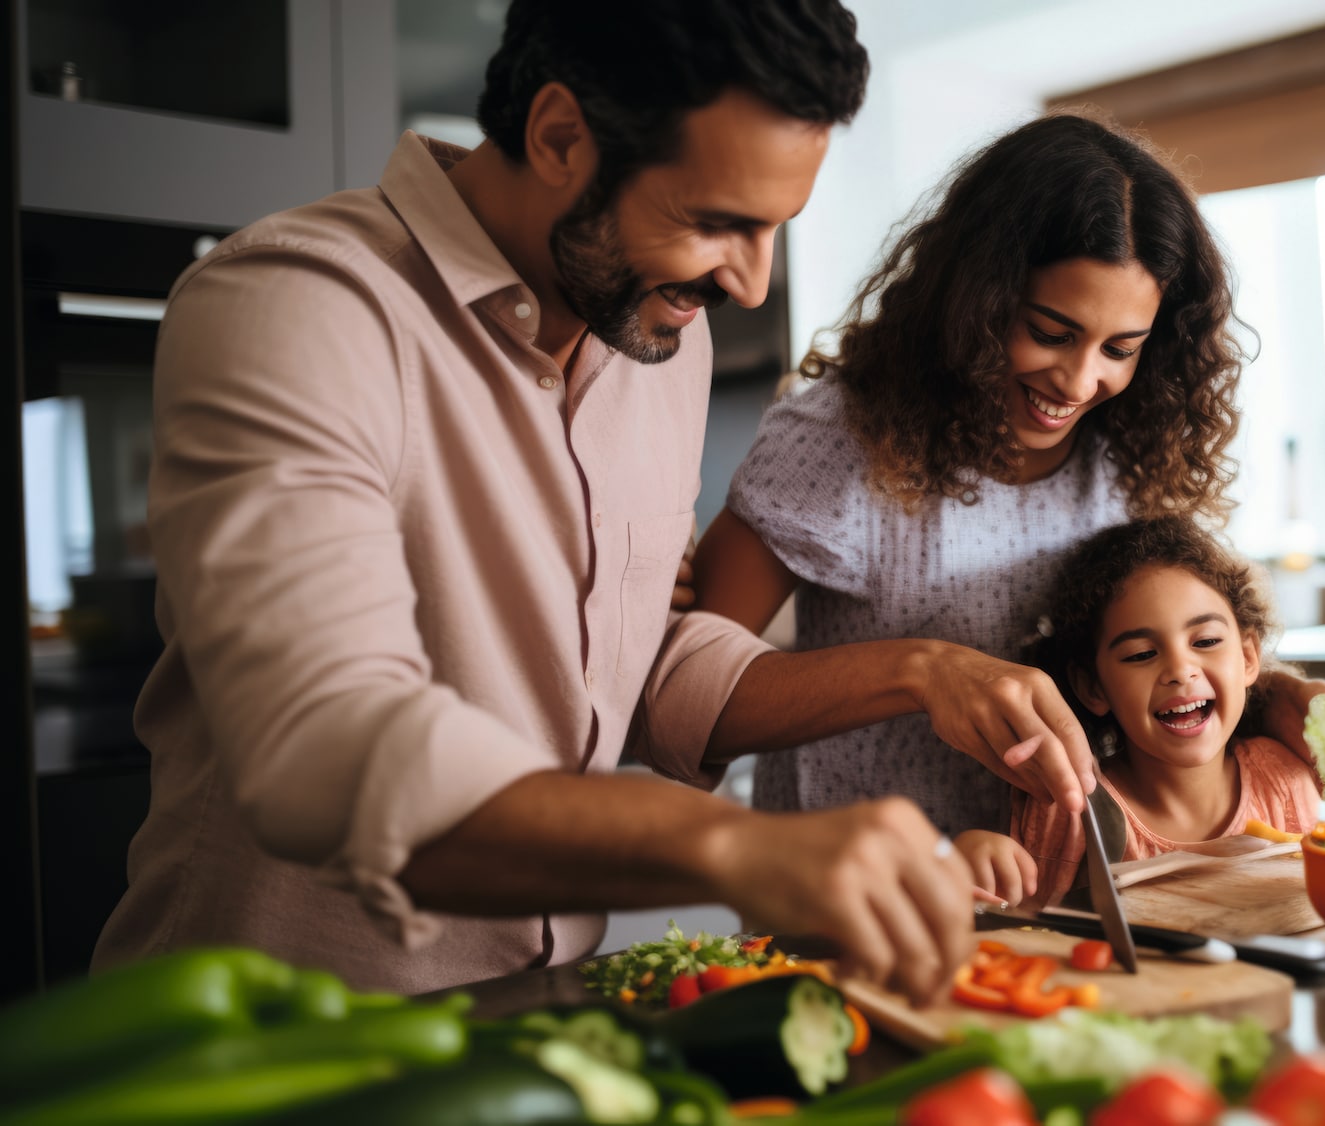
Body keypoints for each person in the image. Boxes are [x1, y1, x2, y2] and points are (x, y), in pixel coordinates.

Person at [93, 0, 1088, 1007]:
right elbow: (324, 737)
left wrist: (923, 671)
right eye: (715, 222)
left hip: (541, 1007)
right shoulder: (300, 305)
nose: (750, 284)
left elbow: (635, 655)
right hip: (271, 1031)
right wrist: (735, 847)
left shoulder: (659, 339)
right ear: (561, 136)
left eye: (775, 228)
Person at [694, 112, 1325, 843]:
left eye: (1121, 347)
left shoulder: (1132, 454)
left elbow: (1160, 659)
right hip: (856, 896)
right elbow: (684, 700)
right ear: (972, 301)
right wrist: (922, 671)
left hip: (1069, 897)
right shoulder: (842, 437)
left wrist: (1283, 699)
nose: (1080, 381)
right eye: (1050, 332)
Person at [957, 517, 1321, 905]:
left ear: (1248, 657)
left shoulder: (1285, 784)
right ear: (1093, 687)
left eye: (1207, 640)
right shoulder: (1068, 808)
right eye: (1141, 654)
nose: (1181, 671)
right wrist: (977, 869)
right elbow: (1027, 930)